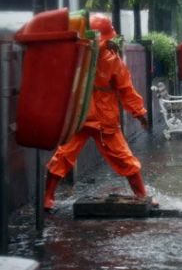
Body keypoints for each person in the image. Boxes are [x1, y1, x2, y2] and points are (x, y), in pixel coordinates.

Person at [43, 14, 156, 212]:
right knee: (63, 156)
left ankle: (141, 196)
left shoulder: (111, 59)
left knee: (124, 158)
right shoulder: (77, 54)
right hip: (80, 117)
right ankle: (47, 198)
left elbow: (125, 89)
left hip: (102, 120)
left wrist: (139, 113)